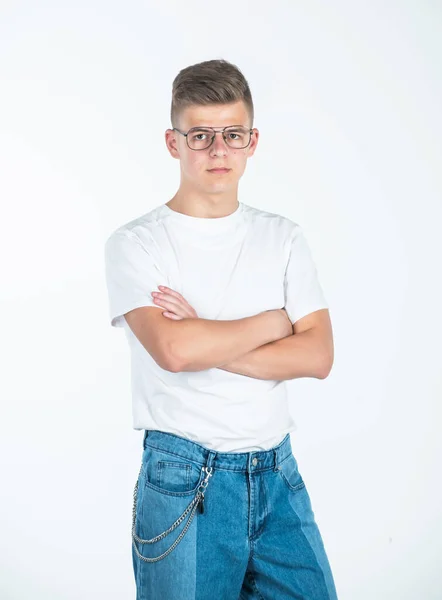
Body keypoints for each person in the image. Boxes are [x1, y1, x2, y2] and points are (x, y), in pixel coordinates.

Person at [104, 58, 338, 600]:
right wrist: (273, 324)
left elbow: (318, 357)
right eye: (201, 136)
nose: (218, 150)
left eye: (232, 135)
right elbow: (175, 351)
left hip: (278, 475)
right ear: (173, 142)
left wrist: (208, 335)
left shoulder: (283, 237)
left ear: (252, 141)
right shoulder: (136, 244)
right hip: (185, 479)